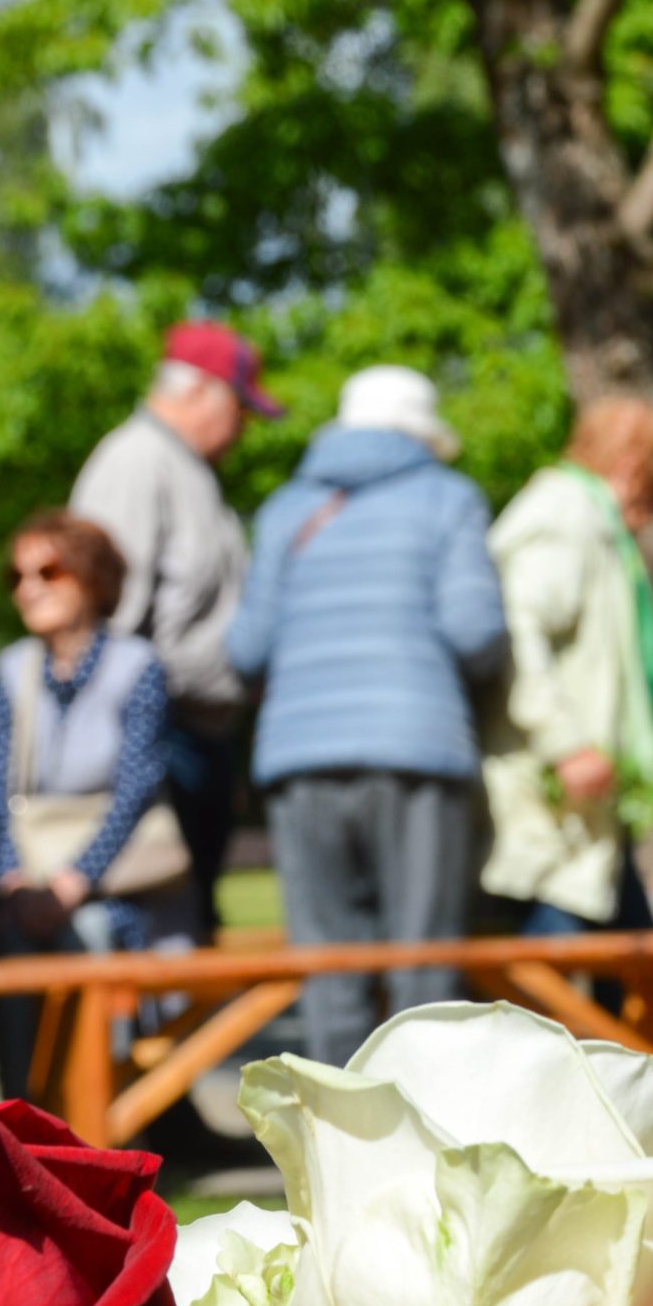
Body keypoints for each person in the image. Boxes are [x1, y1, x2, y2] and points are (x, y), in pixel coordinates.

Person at [227, 367, 507, 1062]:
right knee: (423, 972)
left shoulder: (285, 508)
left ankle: (335, 1129)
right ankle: (426, 1126)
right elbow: (475, 633)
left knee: (329, 973)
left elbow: (246, 648)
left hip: (299, 758)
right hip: (417, 748)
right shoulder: (449, 498)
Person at [70, 321, 279, 939]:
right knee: (160, 931)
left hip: (199, 731)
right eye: (240, 409)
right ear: (200, 392)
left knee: (190, 926)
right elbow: (102, 612)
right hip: (161, 735)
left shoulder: (186, 467)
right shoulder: (135, 462)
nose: (243, 428)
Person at [0, 512, 190, 1096]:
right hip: (30, 880)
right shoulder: (12, 669)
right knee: (6, 943)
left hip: (120, 884)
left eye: (48, 571)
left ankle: (101, 1117)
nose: (29, 588)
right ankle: (21, 1116)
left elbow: (136, 787)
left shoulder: (137, 665)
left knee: (92, 933)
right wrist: (14, 882)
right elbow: (1, 791)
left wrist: (74, 883)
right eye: (17, 576)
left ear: (92, 578)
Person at [482, 398, 653, 935]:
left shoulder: (594, 522)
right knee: (558, 970)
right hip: (551, 807)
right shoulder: (565, 513)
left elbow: (608, 649)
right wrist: (565, 742)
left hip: (587, 811)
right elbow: (518, 628)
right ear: (630, 467)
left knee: (629, 958)